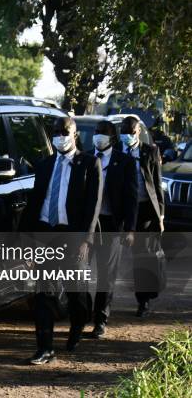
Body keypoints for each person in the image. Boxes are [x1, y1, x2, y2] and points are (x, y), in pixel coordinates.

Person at [23, 117, 102, 365]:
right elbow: (35, 203)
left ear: (74, 134)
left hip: (74, 235)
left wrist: (86, 240)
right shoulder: (45, 165)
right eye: (56, 132)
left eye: (64, 132)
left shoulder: (90, 163)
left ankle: (78, 326)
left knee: (76, 293)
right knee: (43, 293)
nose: (60, 136)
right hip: (47, 233)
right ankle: (45, 348)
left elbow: (93, 205)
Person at [88, 120, 138, 338]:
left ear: (113, 138)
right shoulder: (86, 158)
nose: (99, 136)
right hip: (87, 225)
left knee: (106, 276)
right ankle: (80, 315)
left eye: (104, 133)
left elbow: (131, 197)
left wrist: (130, 228)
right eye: (96, 132)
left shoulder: (124, 162)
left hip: (111, 225)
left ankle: (100, 320)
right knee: (78, 271)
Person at [120, 116, 165, 317]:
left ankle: (143, 300)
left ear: (138, 132)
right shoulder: (115, 152)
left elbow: (157, 184)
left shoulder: (150, 151)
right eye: (123, 132)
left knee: (143, 257)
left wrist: (161, 215)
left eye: (130, 132)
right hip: (121, 211)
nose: (127, 136)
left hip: (145, 209)